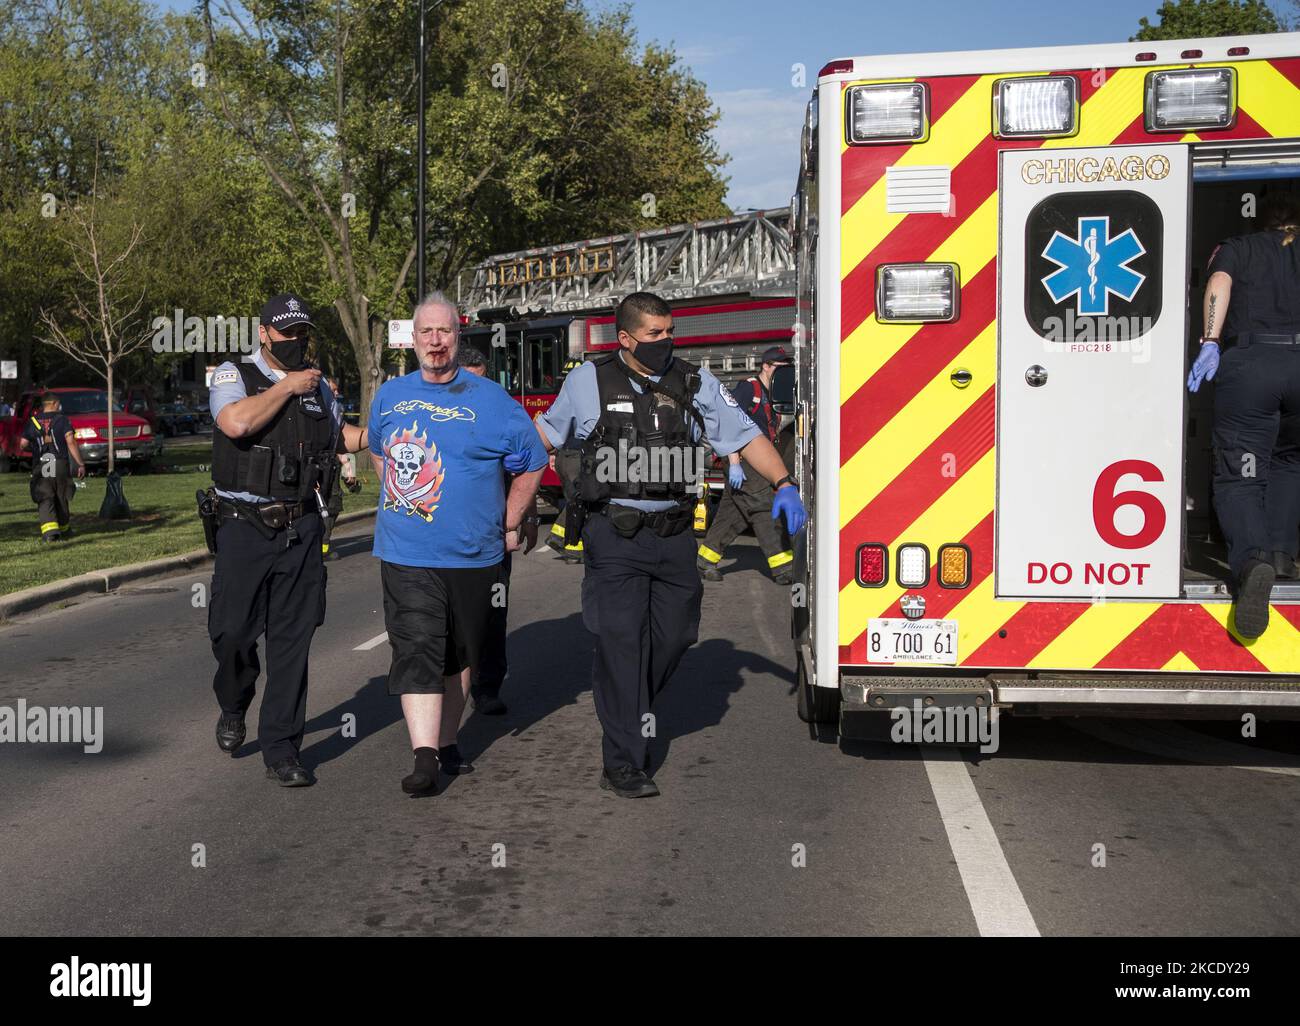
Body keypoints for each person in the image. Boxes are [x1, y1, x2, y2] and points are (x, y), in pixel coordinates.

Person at [534, 291, 807, 798]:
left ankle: (630, 703)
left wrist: (785, 482)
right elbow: (542, 438)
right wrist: (495, 480)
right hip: (613, 536)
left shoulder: (694, 382)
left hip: (675, 535)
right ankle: (623, 761)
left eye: (669, 332)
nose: (666, 341)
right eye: (654, 335)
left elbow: (744, 437)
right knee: (620, 643)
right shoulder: (587, 380)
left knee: (677, 635)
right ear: (625, 339)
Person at [370, 293, 546, 795]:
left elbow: (533, 461)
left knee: (460, 653)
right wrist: (399, 499)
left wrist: (509, 518)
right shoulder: (389, 395)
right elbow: (382, 452)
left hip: (474, 554)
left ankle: (447, 742)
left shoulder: (493, 401)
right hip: (406, 552)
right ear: (414, 339)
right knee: (418, 646)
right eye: (426, 332)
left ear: (457, 335)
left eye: (444, 331)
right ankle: (424, 757)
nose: (435, 341)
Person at [206, 293, 370, 786]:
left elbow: (342, 437)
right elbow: (235, 422)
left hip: (302, 530)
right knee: (232, 633)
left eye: (303, 334)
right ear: (264, 334)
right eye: (287, 334)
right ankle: (235, 700)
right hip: (244, 526)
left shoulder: (319, 389)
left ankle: (282, 748)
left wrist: (386, 428)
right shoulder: (234, 375)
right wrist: (288, 386)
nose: (297, 342)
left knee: (291, 643)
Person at [1188, 191, 1300, 639]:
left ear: (1263, 217)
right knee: (1290, 459)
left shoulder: (1240, 247)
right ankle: (1280, 554)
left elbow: (1219, 284)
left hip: (1254, 365)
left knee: (1240, 470)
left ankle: (1252, 562)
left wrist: (1210, 340)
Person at [456, 345, 539, 716]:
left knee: (493, 609)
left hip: (492, 534)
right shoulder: (438, 418)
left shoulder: (500, 413)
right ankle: (445, 689)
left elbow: (526, 466)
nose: (479, 389)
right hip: (446, 534)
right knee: (451, 616)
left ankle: (486, 686)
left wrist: (527, 517)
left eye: (483, 380)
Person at [696, 346, 796, 585]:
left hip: (757, 460)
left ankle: (705, 560)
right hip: (742, 460)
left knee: (735, 514)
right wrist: (734, 462)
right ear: (766, 366)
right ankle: (784, 567)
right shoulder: (747, 389)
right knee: (763, 505)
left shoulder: (771, 393)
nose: (783, 374)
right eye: (779, 369)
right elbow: (728, 425)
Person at [20, 391, 85, 542]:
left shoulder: (33, 421)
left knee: (45, 496)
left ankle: (50, 534)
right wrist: (80, 464)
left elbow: (22, 445)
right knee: (61, 496)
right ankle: (64, 529)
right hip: (60, 463)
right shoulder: (62, 420)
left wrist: (35, 449)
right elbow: (70, 441)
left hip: (41, 464)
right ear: (55, 404)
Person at [320, 376, 362, 557]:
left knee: (333, 507)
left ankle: (323, 547)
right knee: (326, 509)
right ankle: (321, 549)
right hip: (319, 469)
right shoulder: (317, 410)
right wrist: (344, 459)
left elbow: (342, 444)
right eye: (333, 390)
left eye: (337, 390)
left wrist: (350, 473)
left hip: (334, 467)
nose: (337, 393)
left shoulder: (336, 410)